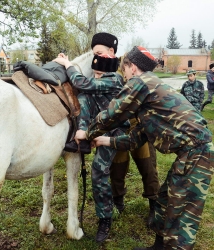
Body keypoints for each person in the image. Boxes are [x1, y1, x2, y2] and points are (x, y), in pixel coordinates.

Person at [75, 46, 214, 250]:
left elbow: (113, 114)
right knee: (164, 202)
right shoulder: (150, 93)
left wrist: (87, 133)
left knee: (181, 214)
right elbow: (135, 138)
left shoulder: (140, 82)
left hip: (196, 152)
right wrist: (106, 141)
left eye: (124, 69)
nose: (124, 74)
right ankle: (158, 246)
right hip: (190, 153)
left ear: (132, 67)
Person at [54, 33, 160, 243]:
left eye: (100, 55)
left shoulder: (116, 75)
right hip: (109, 130)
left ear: (111, 53)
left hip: (136, 127)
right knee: (112, 170)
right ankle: (110, 212)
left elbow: (83, 83)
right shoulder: (102, 72)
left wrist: (68, 64)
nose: (97, 61)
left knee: (147, 167)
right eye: (95, 57)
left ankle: (155, 208)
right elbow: (87, 95)